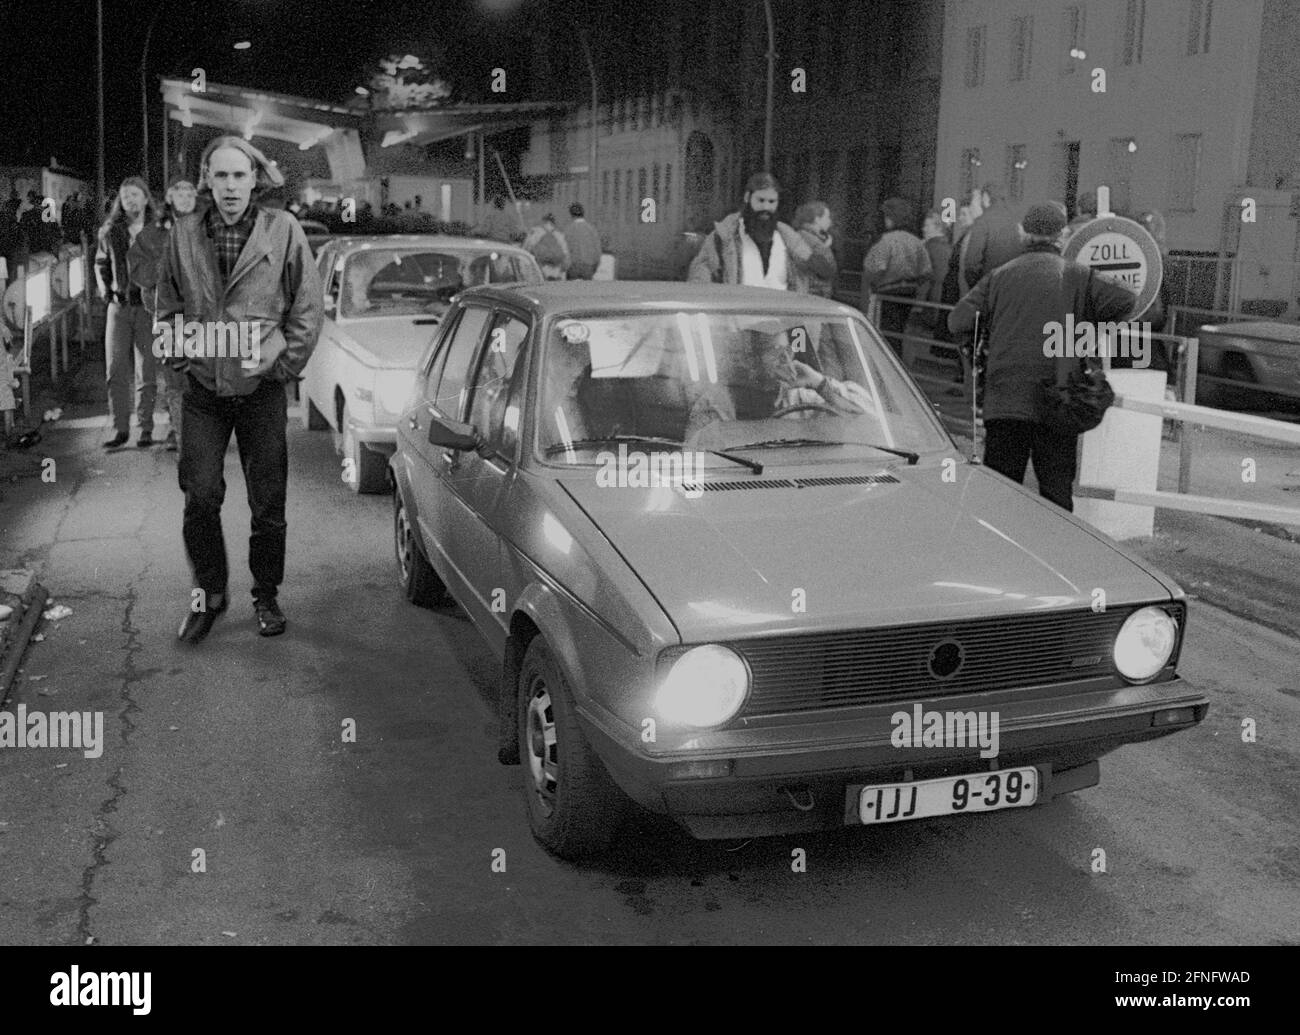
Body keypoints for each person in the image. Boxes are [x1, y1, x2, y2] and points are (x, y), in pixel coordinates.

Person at [155, 136, 323, 642]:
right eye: (221, 176)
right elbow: (167, 304)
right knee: (200, 497)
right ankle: (209, 595)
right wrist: (181, 361)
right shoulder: (183, 234)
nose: (230, 186)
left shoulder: (283, 230)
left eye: (240, 175)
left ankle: (266, 594)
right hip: (204, 391)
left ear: (256, 179)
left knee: (268, 503)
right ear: (207, 179)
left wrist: (283, 366)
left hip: (260, 391)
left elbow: (307, 308)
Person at [947, 202, 1135, 512]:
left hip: (1006, 401)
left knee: (1000, 492)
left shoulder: (998, 277)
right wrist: (1087, 326)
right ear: (1062, 236)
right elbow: (1126, 299)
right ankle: (1054, 553)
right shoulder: (1081, 276)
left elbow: (957, 321)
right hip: (1060, 400)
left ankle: (997, 552)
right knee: (1057, 493)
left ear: (1023, 233)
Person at [130, 178, 197, 451]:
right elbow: (140, 274)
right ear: (169, 197)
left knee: (202, 378)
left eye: (190, 191)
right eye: (179, 192)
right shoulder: (152, 234)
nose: (185, 196)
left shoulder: (209, 227)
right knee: (175, 378)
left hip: (205, 319)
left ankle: (196, 433)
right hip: (170, 318)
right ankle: (181, 434)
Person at [96, 177, 159, 448]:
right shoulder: (111, 231)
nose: (129, 200)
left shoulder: (158, 230)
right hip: (119, 307)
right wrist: (106, 290)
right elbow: (100, 263)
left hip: (148, 309)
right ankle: (120, 429)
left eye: (135, 194)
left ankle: (145, 427)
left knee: (147, 371)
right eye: (125, 196)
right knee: (116, 370)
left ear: (146, 198)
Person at [687, 172, 818, 291]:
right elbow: (699, 281)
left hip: (783, 315)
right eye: (760, 200)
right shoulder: (722, 238)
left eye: (771, 202)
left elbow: (813, 279)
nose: (766, 207)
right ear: (747, 198)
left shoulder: (790, 241)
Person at [861, 197, 932, 352]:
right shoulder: (917, 242)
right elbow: (926, 272)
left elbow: (875, 269)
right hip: (909, 294)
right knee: (898, 332)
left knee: (884, 335)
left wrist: (873, 283)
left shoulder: (885, 241)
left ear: (890, 218)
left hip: (886, 294)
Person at [962, 182, 1024, 290]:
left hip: (988, 288)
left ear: (986, 196)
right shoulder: (1014, 221)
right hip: (1010, 288)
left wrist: (976, 287)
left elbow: (972, 263)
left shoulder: (982, 221)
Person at [792, 201, 838, 297]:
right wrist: (825, 247)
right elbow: (828, 269)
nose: (830, 221)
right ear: (817, 219)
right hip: (814, 294)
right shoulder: (814, 241)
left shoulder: (801, 235)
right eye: (827, 217)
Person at [525, 213, 570, 280]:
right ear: (553, 223)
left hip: (541, 268)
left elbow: (527, 249)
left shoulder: (536, 232)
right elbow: (565, 254)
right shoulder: (559, 235)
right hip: (557, 270)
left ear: (544, 221)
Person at [564, 202, 601, 280]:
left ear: (571, 214)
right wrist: (595, 266)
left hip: (573, 266)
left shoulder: (568, 229)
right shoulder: (591, 229)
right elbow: (597, 250)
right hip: (588, 265)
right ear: (583, 213)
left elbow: (565, 250)